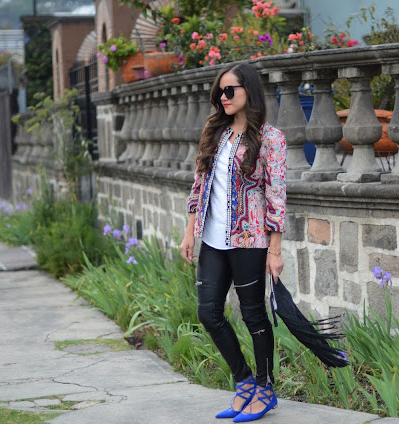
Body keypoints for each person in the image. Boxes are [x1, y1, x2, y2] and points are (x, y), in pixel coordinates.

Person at [180, 62, 286, 422]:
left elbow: (276, 197)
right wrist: (190, 230)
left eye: (230, 91)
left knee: (253, 314)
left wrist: (275, 250)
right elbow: (199, 183)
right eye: (219, 92)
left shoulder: (271, 139)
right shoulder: (216, 132)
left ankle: (265, 389)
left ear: (248, 92)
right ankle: (244, 382)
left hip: (250, 239)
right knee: (208, 312)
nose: (223, 98)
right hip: (212, 238)